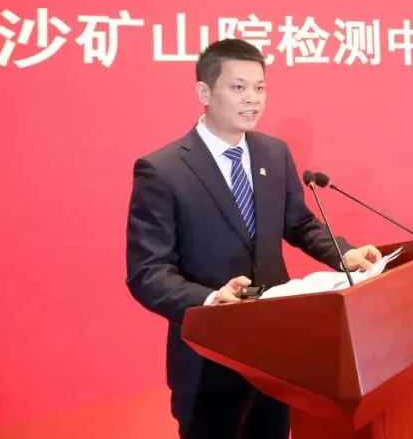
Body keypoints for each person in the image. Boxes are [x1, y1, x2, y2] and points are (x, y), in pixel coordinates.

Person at [125, 38, 382, 439]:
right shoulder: (163, 170)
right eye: (239, 87)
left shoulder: (273, 153)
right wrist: (210, 300)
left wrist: (343, 254)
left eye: (260, 87)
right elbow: (148, 272)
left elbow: (299, 224)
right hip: (209, 358)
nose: (253, 99)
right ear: (204, 93)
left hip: (275, 351)